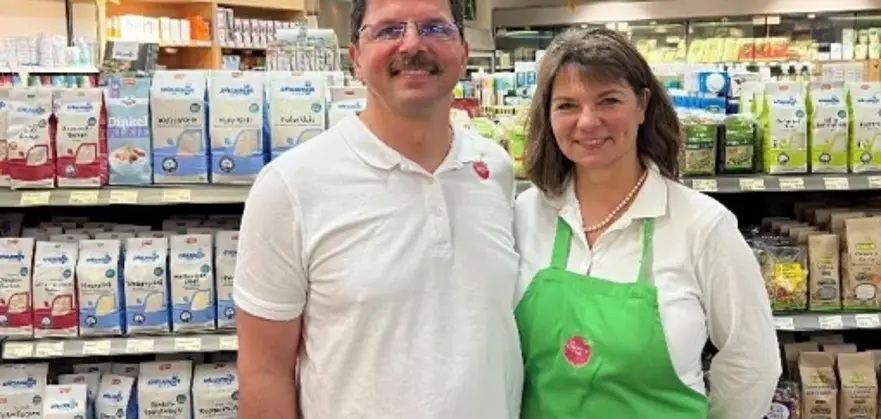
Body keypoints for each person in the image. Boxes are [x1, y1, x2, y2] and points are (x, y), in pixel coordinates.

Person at [233, 0, 522, 418]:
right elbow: (265, 372)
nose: (412, 44)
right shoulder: (290, 187)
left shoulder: (493, 169)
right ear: (356, 58)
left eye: (434, 28)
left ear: (463, 53)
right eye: (388, 30)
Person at [513, 28, 781, 418]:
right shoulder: (526, 215)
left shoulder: (702, 226)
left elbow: (752, 362)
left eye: (608, 101)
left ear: (642, 105)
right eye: (567, 105)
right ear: (548, 115)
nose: (587, 122)